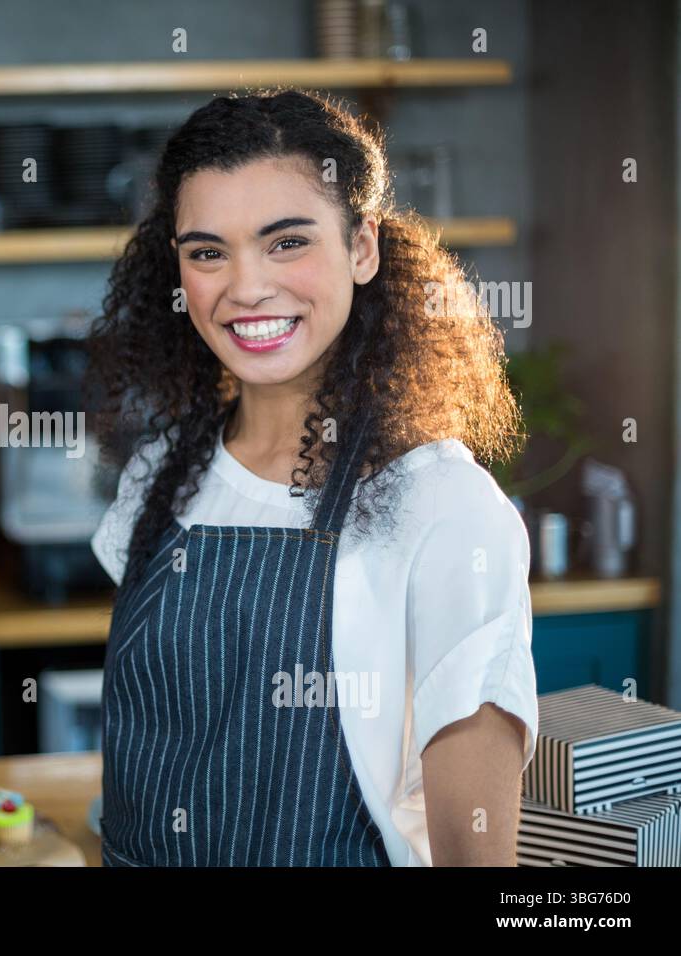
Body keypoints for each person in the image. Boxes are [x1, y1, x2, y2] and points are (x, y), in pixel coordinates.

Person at [87, 89, 537, 866]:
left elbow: (477, 854)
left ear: (363, 246)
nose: (247, 287)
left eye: (287, 242)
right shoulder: (161, 474)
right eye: (207, 252)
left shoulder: (442, 508)